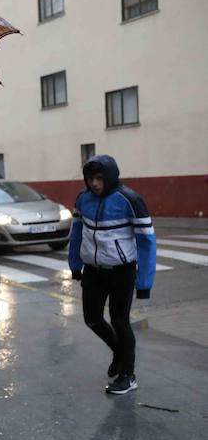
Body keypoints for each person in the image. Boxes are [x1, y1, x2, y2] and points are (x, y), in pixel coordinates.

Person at [69, 155, 156, 395]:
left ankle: (128, 375)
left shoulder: (130, 200)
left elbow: (147, 242)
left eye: (99, 178)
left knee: (120, 322)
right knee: (92, 318)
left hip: (122, 273)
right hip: (93, 272)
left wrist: (144, 283)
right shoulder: (83, 199)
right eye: (90, 178)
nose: (95, 183)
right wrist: (75, 265)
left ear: (110, 177)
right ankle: (119, 352)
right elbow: (77, 232)